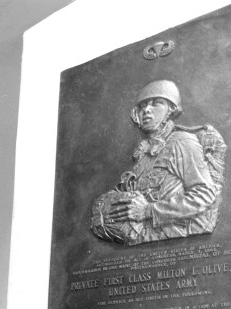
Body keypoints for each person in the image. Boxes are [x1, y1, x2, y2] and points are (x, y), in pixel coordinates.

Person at [91, 79, 226, 246]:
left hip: (175, 234)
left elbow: (204, 195)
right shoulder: (144, 153)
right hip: (145, 240)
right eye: (142, 106)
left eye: (156, 103)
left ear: (171, 109)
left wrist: (149, 211)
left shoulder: (181, 141)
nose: (146, 110)